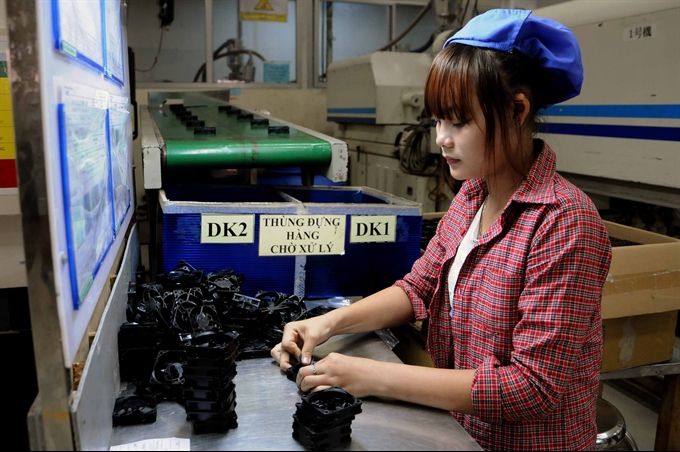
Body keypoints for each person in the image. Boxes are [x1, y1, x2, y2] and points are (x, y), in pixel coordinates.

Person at [271, 8, 612, 451]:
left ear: (517, 110)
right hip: (464, 433)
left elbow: (533, 388)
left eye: (459, 121)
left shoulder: (564, 222)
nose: (440, 139)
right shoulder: (473, 195)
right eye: (437, 120)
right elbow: (419, 287)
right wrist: (326, 324)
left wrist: (373, 376)